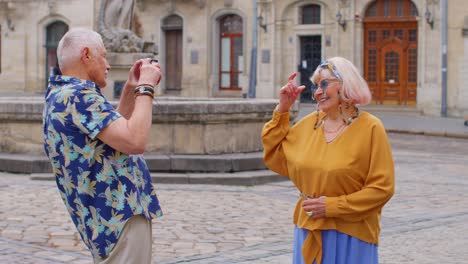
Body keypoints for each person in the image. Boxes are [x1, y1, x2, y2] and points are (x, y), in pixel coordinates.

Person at [43, 27, 163, 263]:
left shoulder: (62, 94)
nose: (108, 64)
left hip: (105, 220)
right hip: (117, 215)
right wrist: (145, 87)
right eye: (104, 55)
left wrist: (129, 89)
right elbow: (135, 141)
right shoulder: (79, 96)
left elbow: (112, 137)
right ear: (86, 55)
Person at [262, 57, 395, 264]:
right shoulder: (309, 125)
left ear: (345, 84)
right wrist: (283, 109)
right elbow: (275, 155)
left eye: (324, 84)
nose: (317, 92)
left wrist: (334, 206)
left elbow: (382, 188)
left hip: (352, 233)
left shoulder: (371, 128)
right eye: (316, 86)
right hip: (310, 228)